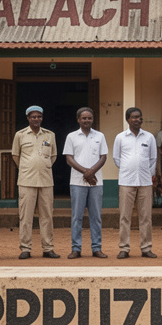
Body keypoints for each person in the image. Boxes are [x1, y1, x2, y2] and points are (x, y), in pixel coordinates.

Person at [12, 106, 58, 259]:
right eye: (33, 117)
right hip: (26, 180)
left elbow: (53, 156)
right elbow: (16, 156)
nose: (36, 119)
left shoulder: (50, 135)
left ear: (42, 118)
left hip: (46, 180)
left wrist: (42, 166)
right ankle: (25, 248)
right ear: (28, 118)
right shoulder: (20, 135)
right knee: (25, 216)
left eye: (39, 116)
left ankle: (48, 248)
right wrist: (28, 167)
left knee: (47, 216)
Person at [64, 107, 109, 259]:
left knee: (96, 217)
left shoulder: (100, 136)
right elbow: (69, 158)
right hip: (77, 182)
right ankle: (76, 248)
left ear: (92, 119)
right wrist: (86, 172)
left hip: (96, 182)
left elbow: (103, 157)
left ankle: (97, 248)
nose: (87, 120)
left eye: (89, 118)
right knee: (76, 216)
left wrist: (91, 172)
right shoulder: (71, 136)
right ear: (78, 120)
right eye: (84, 118)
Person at [113, 107, 158, 259]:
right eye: (133, 117)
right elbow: (116, 158)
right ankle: (124, 248)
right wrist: (129, 169)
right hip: (126, 181)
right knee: (125, 217)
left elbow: (153, 159)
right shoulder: (120, 137)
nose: (137, 120)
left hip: (145, 182)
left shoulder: (149, 137)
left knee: (146, 217)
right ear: (127, 119)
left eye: (139, 117)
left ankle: (146, 248)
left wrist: (146, 173)